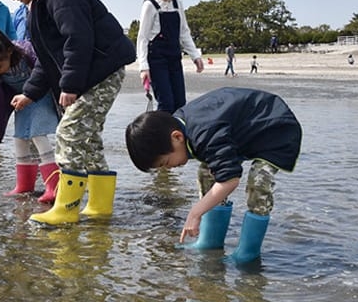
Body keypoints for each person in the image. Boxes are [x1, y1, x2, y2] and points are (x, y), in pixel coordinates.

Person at [0, 0, 137, 226]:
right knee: (88, 138)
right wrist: (29, 94)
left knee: (69, 133)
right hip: (89, 74)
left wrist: (69, 85)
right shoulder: (37, 8)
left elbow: (78, 40)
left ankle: (66, 208)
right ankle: (99, 206)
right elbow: (46, 62)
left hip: (102, 71)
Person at [125, 87, 302, 264]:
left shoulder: (204, 133)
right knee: (206, 172)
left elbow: (230, 179)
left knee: (258, 183)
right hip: (243, 131)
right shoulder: (182, 126)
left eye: (165, 163)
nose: (169, 169)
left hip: (275, 128)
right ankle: (210, 241)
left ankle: (248, 253)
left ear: (177, 137)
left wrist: (195, 213)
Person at [0, 29, 60, 203]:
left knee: (37, 134)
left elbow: (49, 72)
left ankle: (54, 186)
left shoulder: (28, 53)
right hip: (20, 100)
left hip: (40, 96)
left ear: (9, 51)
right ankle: (24, 185)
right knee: (20, 137)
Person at [137, 0, 204, 113]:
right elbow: (142, 38)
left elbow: (184, 32)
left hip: (174, 57)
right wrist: (143, 67)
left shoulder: (177, 3)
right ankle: (163, 135)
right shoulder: (150, 5)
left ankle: (179, 134)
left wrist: (195, 56)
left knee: (180, 102)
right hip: (156, 59)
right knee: (165, 103)